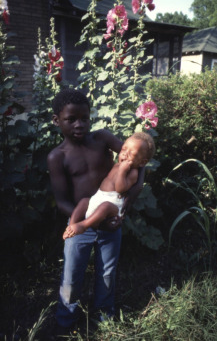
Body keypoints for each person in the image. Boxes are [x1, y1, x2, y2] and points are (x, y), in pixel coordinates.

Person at [47, 89, 145, 330]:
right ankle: (65, 322)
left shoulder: (102, 139)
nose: (79, 125)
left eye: (85, 118)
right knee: (71, 276)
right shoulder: (57, 157)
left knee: (107, 273)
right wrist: (86, 220)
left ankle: (104, 317)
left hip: (111, 219)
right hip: (79, 224)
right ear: (56, 121)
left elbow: (138, 159)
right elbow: (61, 201)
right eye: (71, 119)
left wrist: (130, 198)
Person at [63, 132, 155, 240]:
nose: (125, 154)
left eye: (132, 154)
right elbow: (112, 176)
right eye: (124, 149)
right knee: (84, 201)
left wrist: (121, 171)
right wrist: (111, 160)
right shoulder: (119, 165)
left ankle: (83, 225)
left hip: (113, 205)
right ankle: (71, 227)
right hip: (98, 198)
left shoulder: (133, 172)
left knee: (105, 206)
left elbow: (120, 188)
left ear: (142, 162)